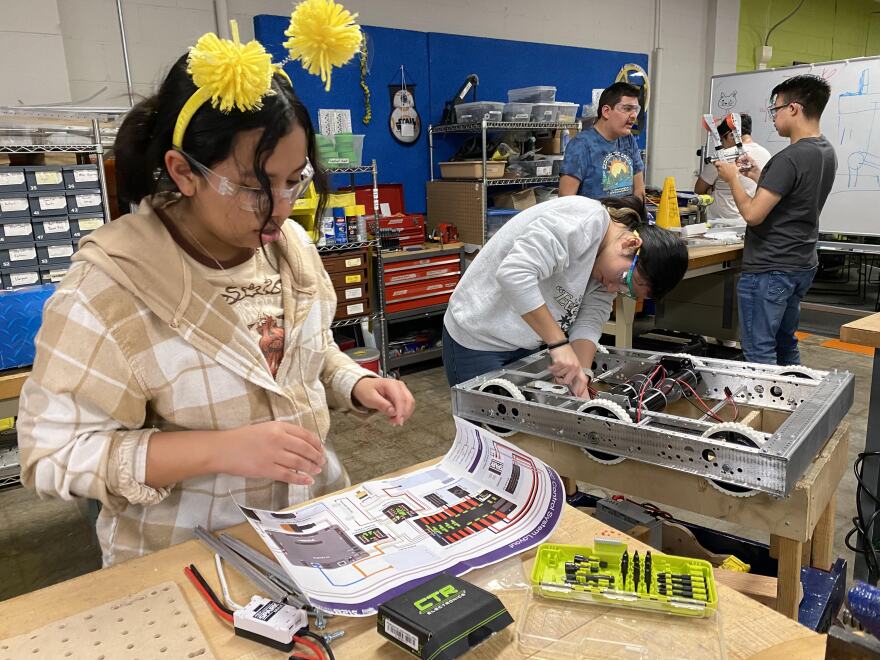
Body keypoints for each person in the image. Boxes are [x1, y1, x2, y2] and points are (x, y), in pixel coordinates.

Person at [17, 24, 414, 566]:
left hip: (308, 522)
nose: (280, 207)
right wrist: (221, 450)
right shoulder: (113, 286)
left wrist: (355, 382)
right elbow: (52, 456)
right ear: (184, 172)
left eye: (295, 180)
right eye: (254, 188)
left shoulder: (290, 248)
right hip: (188, 555)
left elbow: (305, 353)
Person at [442, 195, 688, 396]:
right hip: (477, 337)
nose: (615, 289)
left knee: (520, 433)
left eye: (627, 292)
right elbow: (514, 274)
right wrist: (559, 344)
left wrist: (580, 376)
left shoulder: (606, 267)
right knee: (488, 433)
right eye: (626, 281)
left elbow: (591, 317)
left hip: (525, 342)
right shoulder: (582, 222)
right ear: (629, 245)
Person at [714, 74, 836, 366]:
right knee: (785, 344)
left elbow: (754, 215)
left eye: (775, 109)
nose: (773, 117)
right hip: (800, 262)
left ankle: (764, 411)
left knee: (759, 353)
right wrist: (757, 174)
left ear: (794, 109)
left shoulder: (790, 157)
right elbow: (795, 196)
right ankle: (794, 407)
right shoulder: (824, 150)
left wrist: (732, 178)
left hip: (771, 267)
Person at [559, 82, 645, 200]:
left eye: (636, 109)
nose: (634, 115)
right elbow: (565, 201)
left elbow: (639, 191)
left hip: (625, 216)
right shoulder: (581, 145)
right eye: (627, 109)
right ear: (606, 112)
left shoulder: (628, 140)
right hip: (594, 218)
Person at [694, 113, 772, 226]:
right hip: (751, 221)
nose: (722, 145)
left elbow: (699, 188)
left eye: (722, 140)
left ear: (731, 135)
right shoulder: (766, 154)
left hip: (722, 223)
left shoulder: (722, 156)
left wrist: (713, 189)